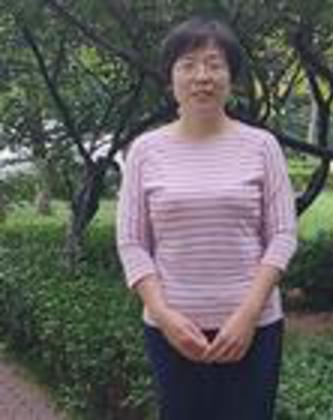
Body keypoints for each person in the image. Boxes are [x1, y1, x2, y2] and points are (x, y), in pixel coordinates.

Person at [116, 15, 298, 420]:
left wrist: (247, 316)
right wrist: (164, 315)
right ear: (171, 78)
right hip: (172, 331)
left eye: (215, 64)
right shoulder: (145, 151)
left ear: (231, 78)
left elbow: (283, 234)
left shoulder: (262, 146)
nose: (202, 76)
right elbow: (132, 242)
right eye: (188, 65)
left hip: (254, 328)